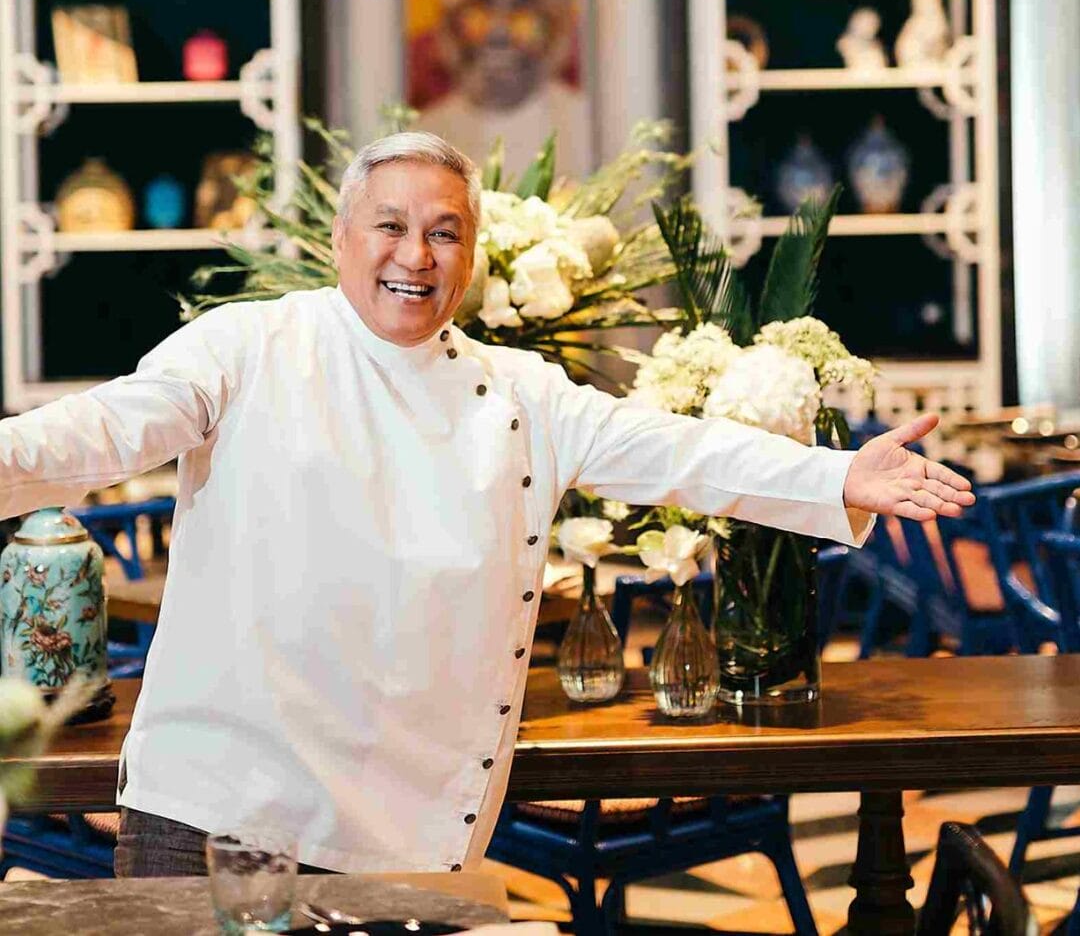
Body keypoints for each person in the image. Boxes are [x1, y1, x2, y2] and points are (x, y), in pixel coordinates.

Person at [0, 132, 974, 877]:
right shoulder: (247, 348)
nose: (414, 254)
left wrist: (833, 477)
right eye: (389, 226)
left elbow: (671, 450)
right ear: (341, 240)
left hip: (403, 837)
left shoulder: (518, 393)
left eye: (443, 232)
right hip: (218, 817)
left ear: (469, 258)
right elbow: (101, 431)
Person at [414, 0, 592, 176]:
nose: (499, 32)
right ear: (445, 19)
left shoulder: (596, 134)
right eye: (479, 8)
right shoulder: (416, 138)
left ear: (563, 24)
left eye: (525, 10)